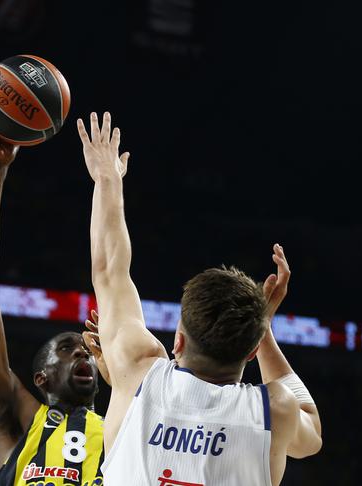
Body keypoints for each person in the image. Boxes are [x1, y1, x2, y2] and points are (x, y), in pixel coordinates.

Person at [77, 111, 323, 486]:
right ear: (252, 350)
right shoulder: (275, 409)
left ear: (177, 340)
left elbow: (109, 270)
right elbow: (313, 431)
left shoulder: (138, 368)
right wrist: (263, 327)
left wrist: (107, 180)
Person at [0, 89, 111, 486]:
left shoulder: (125, 432)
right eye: (66, 348)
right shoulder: (13, 421)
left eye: (83, 348)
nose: (83, 351)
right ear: (40, 378)